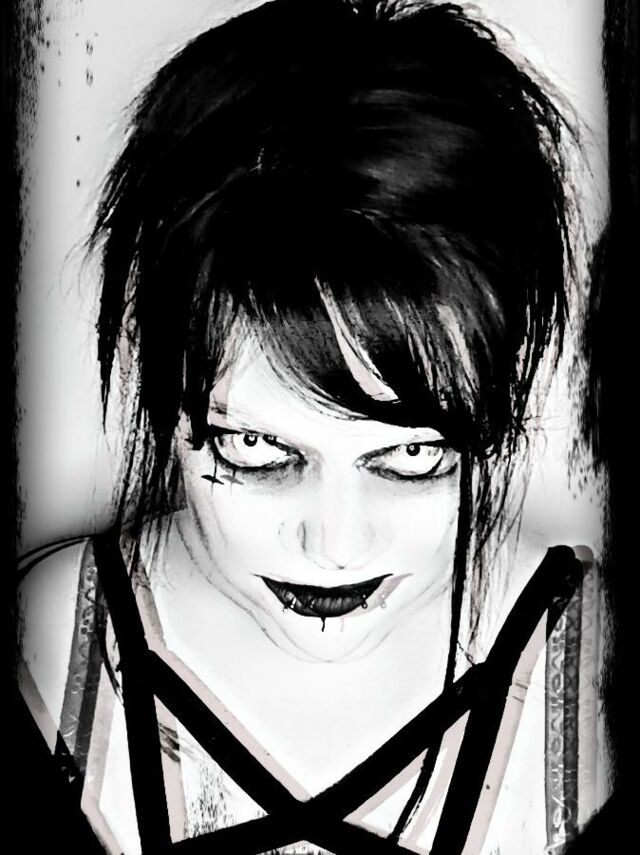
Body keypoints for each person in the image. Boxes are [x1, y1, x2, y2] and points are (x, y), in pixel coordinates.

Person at [16, 1, 609, 852]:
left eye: (413, 454)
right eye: (257, 449)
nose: (335, 545)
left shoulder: (599, 675)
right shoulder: (45, 651)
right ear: (165, 395)